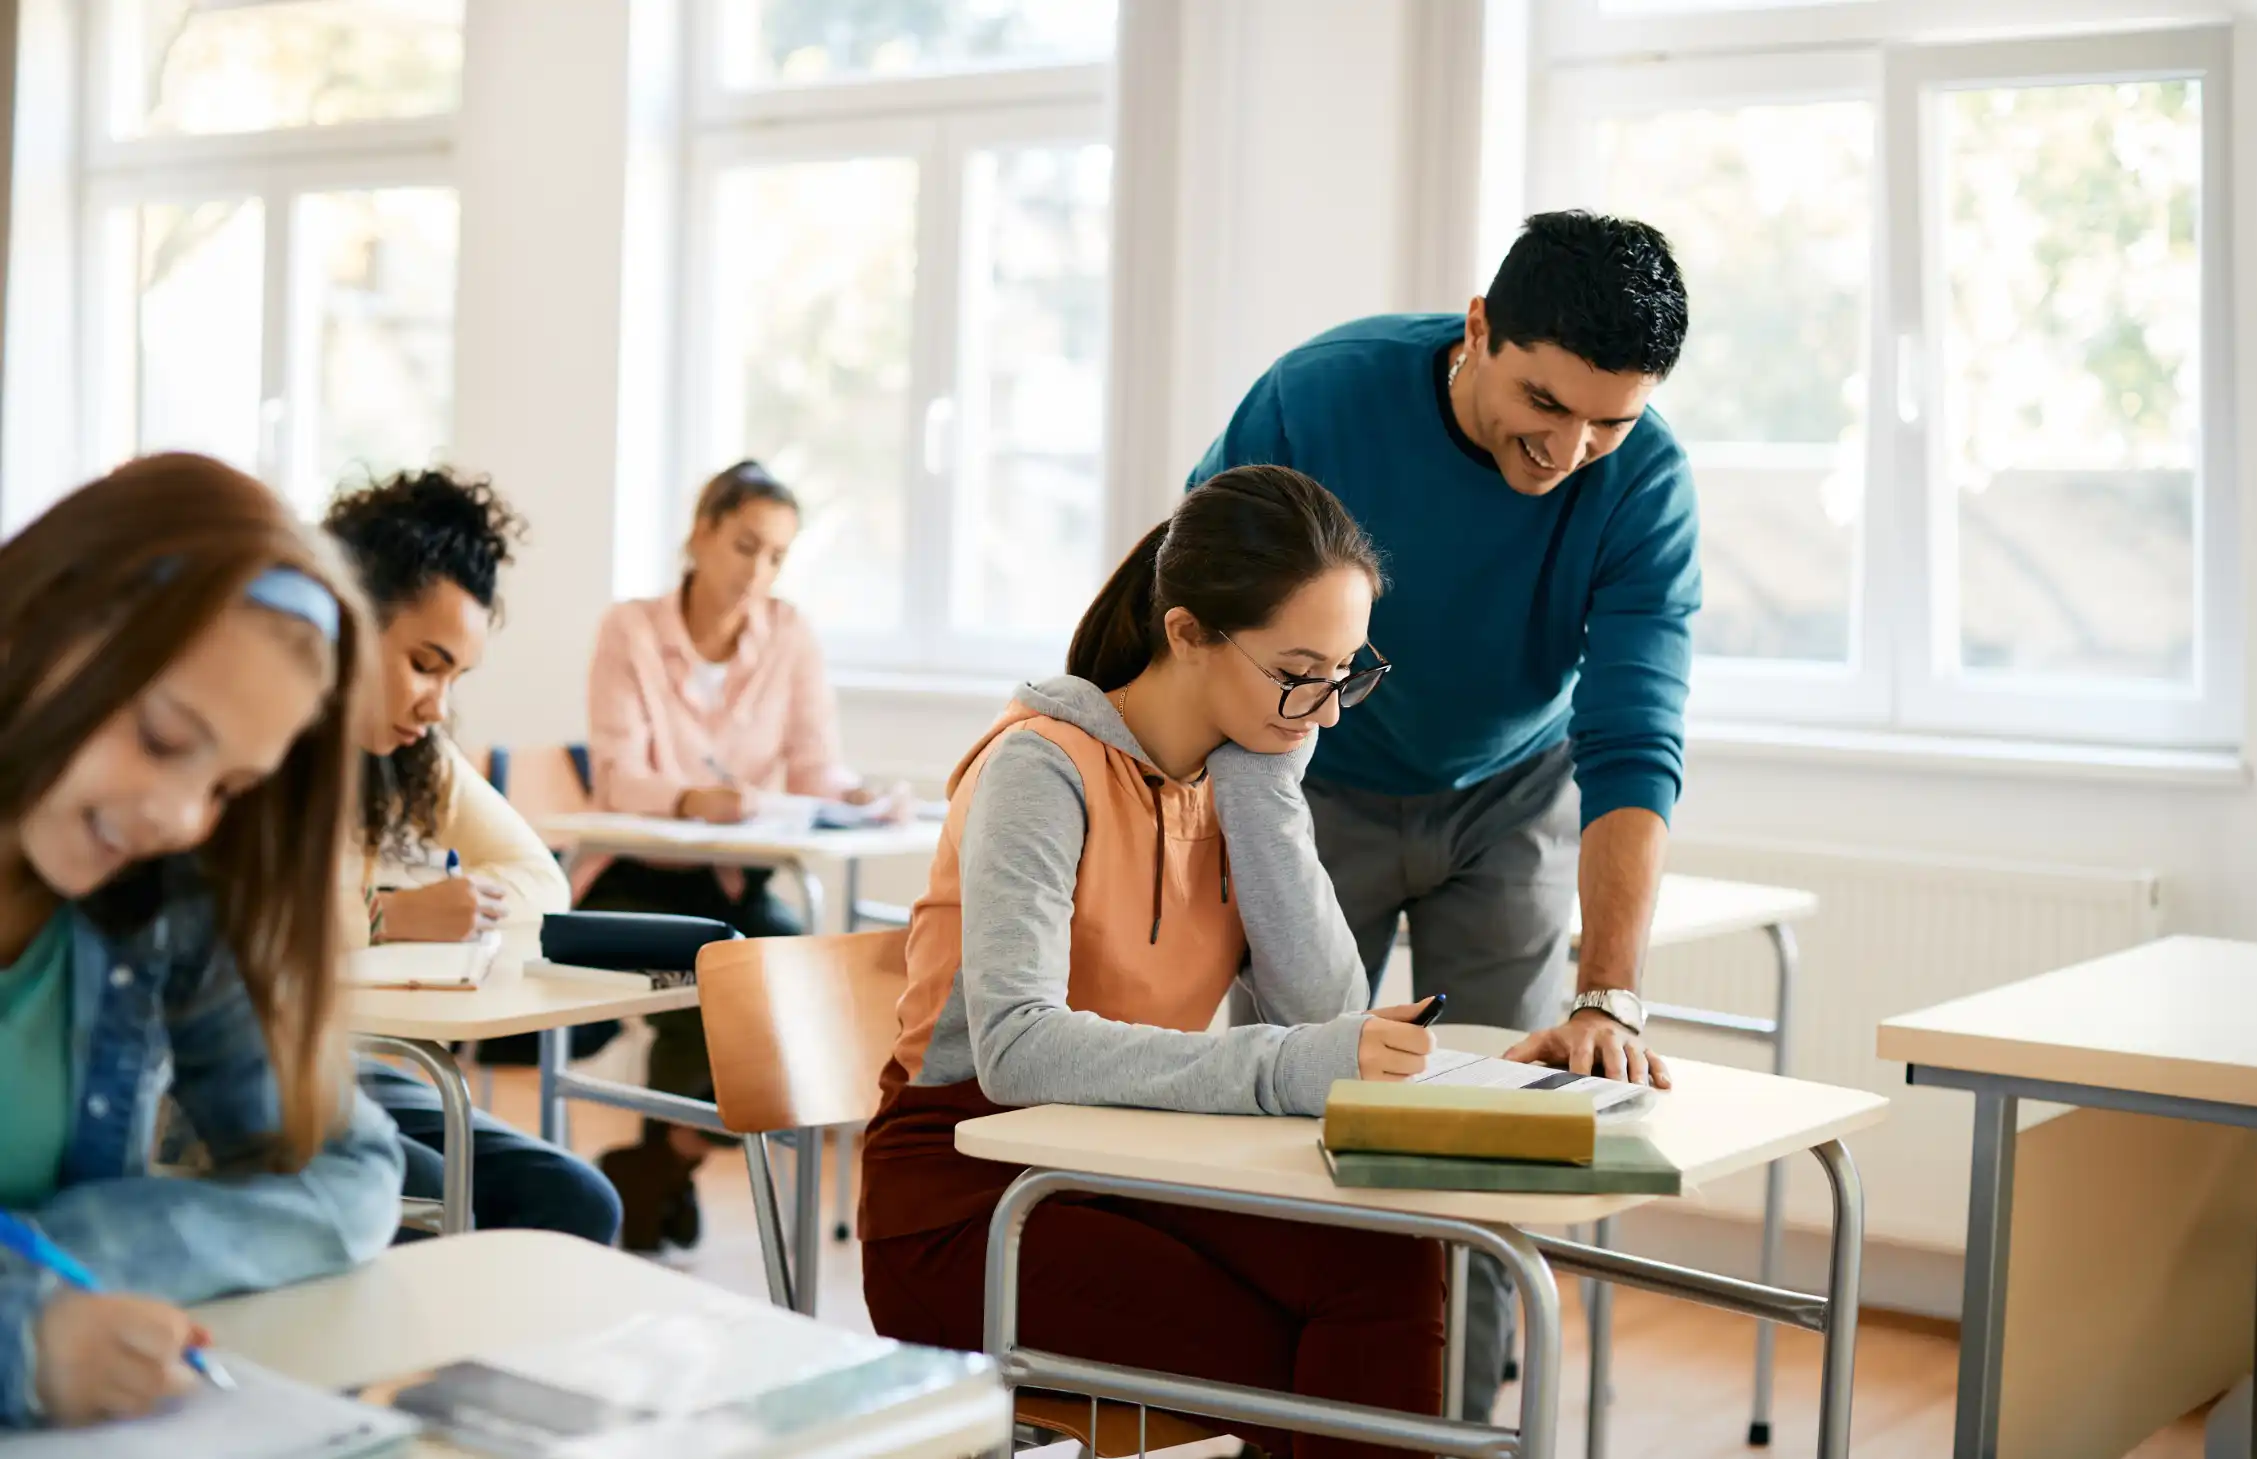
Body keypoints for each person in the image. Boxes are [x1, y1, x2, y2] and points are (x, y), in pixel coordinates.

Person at [1187, 209, 1697, 1416]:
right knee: (1291, 1101)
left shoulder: (1645, 482)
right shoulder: (1315, 400)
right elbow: (1196, 608)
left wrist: (1607, 992)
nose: (1568, 447)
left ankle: (1454, 1433)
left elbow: (1630, 737)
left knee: (1488, 1142)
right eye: (1542, 402)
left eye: (1607, 421)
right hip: (1308, 778)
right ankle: (1284, 1424)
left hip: (1509, 794)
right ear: (1478, 329)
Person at [861, 466, 1441, 1458]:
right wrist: (1289, 1065)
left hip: (1123, 1163)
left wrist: (1266, 789)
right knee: (1284, 1355)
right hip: (969, 1201)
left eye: (1345, 671)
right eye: (1299, 672)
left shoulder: (1236, 773)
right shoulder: (1039, 769)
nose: (1327, 710)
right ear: (1186, 634)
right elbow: (1014, 1048)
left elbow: (1324, 1010)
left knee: (1389, 1267)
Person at [0, 454, 405, 1429]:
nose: (180, 817)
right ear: (42, 627)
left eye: (227, 788)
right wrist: (21, 1332)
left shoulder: (165, 902)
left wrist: (70, 1249)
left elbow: (347, 1175)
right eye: (161, 736)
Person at [581, 461, 901, 1251]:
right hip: (631, 872)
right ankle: (663, 1166)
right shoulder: (631, 629)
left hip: (735, 876)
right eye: (744, 546)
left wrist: (851, 794)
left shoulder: (787, 633)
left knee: (798, 976)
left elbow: (811, 766)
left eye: (776, 557)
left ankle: (661, 1161)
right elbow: (617, 775)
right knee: (717, 966)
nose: (757, 572)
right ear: (699, 534)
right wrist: (690, 798)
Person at [321, 468, 621, 1247]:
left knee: (578, 1202)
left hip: (348, 1058)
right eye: (425, 664)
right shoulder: (255, 732)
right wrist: (386, 915)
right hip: (231, 1072)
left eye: (455, 675)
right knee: (430, 1196)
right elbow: (223, 931)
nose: (438, 704)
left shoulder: (414, 751)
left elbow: (539, 881)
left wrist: (430, 906)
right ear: (345, 620)